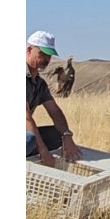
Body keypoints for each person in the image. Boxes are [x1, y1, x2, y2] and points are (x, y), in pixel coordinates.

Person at [26, 30, 82, 167]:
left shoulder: (39, 83)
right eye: (42, 54)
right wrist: (44, 151)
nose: (46, 60)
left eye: (49, 56)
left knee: (58, 134)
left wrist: (67, 136)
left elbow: (55, 111)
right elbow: (25, 118)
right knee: (29, 140)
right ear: (29, 50)